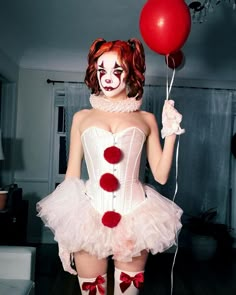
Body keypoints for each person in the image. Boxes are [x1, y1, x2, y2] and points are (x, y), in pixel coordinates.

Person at [37, 38, 184, 295]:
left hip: (136, 218)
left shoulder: (146, 119)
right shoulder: (82, 117)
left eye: (117, 71)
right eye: (101, 70)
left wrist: (170, 132)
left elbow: (160, 176)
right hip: (89, 219)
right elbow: (72, 177)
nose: (107, 78)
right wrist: (65, 234)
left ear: (131, 72)